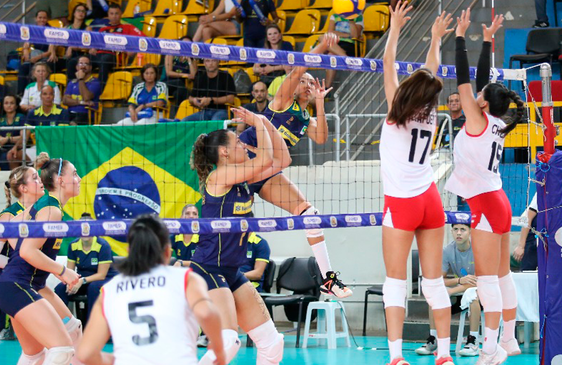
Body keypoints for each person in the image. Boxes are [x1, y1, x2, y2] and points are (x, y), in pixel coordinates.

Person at [238, 33, 353, 298]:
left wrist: (321, 103)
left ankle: (328, 278)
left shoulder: (306, 118)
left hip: (267, 170)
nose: (304, 83)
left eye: (310, 82)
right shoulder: (282, 101)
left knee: (310, 213)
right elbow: (300, 66)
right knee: (232, 225)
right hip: (244, 161)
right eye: (301, 81)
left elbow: (322, 138)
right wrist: (323, 46)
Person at [446, 9, 523, 364]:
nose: (472, 94)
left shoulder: (478, 118)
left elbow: (465, 79)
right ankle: (508, 339)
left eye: (479, 95)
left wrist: (461, 37)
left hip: (487, 203)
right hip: (499, 200)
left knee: (488, 280)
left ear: (484, 102)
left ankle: (490, 349)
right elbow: (480, 80)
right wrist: (488, 39)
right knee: (502, 276)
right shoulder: (495, 121)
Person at [379, 4, 454, 365]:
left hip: (403, 202)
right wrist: (436, 38)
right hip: (430, 199)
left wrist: (394, 29)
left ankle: (396, 357)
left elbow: (388, 62)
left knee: (395, 282)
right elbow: (432, 71)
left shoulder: (397, 109)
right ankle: (444, 355)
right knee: (433, 282)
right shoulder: (431, 113)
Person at [190, 107, 289, 364]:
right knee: (228, 342)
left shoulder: (244, 177)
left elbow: (281, 161)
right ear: (224, 152)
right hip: (208, 266)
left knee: (272, 343)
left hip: (232, 269)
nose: (244, 146)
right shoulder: (219, 176)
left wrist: (265, 122)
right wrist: (257, 122)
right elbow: (265, 160)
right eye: (237, 143)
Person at [77, 214, 227, 365]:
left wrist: (118, 360)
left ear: (129, 251)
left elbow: (85, 354)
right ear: (168, 252)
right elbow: (206, 313)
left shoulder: (109, 290)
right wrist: (219, 350)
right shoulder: (186, 278)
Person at [0, 154, 84, 365]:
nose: (79, 179)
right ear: (60, 180)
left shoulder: (46, 204)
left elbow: (12, 227)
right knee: (61, 349)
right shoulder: (51, 209)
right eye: (75, 174)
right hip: (18, 285)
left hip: (28, 285)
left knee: (63, 337)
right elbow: (27, 252)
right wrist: (63, 272)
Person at [0, 166, 45, 341]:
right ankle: (1, 329)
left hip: (26, 277)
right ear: (23, 188)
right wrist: (19, 264)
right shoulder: (9, 216)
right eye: (35, 178)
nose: (41, 181)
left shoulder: (42, 210)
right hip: (1, 278)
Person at [416, 224, 482, 357]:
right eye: (455, 229)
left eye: (463, 230)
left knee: (472, 295)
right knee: (435, 295)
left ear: (470, 232)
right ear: (451, 231)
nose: (459, 233)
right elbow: (438, 279)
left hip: (483, 294)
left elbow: (479, 282)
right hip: (461, 290)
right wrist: (458, 281)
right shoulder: (447, 251)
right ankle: (434, 340)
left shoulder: (478, 249)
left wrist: (452, 290)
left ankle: (473, 342)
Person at [54, 213, 117, 321]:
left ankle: (92, 326)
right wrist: (71, 281)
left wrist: (81, 281)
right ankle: (62, 324)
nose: (85, 231)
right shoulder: (73, 245)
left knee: (93, 288)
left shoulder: (103, 246)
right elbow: (70, 271)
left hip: (104, 279)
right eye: (83, 228)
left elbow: (101, 275)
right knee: (61, 288)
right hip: (84, 279)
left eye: (89, 228)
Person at [514, 163, 562, 270]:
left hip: (550, 241)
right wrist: (521, 246)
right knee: (529, 276)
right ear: (560, 174)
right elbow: (528, 218)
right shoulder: (546, 190)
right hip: (534, 239)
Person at [80, 4, 143, 86]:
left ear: (121, 14)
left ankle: (99, 90)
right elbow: (95, 43)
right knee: (77, 61)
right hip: (98, 55)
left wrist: (132, 48)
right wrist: (92, 48)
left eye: (116, 13)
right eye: (111, 14)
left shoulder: (128, 27)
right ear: (108, 15)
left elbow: (143, 39)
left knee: (104, 60)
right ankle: (73, 90)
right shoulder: (103, 29)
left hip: (114, 56)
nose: (114, 16)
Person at [10, 85, 69, 165]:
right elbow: (25, 136)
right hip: (38, 148)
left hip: (56, 149)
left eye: (50, 94)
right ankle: (17, 177)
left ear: (54, 96)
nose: (48, 96)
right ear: (40, 96)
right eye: (45, 94)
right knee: (12, 155)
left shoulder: (62, 112)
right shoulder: (33, 113)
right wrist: (16, 147)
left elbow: (62, 136)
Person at [17, 10, 59, 95]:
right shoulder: (32, 31)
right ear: (36, 19)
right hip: (34, 58)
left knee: (34, 71)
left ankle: (33, 94)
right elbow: (26, 45)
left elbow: (50, 52)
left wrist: (37, 58)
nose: (42, 20)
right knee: (23, 68)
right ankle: (20, 94)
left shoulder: (52, 31)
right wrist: (26, 52)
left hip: (45, 58)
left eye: (44, 18)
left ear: (47, 19)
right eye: (40, 17)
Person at [322, 12, 364, 89]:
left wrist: (351, 20)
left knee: (331, 55)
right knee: (323, 38)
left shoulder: (358, 16)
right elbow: (330, 32)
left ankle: (327, 88)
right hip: (336, 43)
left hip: (351, 45)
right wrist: (347, 35)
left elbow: (355, 35)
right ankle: (346, 59)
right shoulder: (334, 16)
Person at [63, 55, 102, 125]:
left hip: (86, 114)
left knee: (73, 124)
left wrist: (81, 79)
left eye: (86, 64)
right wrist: (81, 102)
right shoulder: (72, 82)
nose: (83, 66)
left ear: (90, 67)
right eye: (81, 63)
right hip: (70, 113)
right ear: (77, 67)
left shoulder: (95, 82)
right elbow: (65, 100)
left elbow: (86, 97)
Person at [163, 36, 198, 106]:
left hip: (181, 87)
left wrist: (189, 60)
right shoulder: (171, 54)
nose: (185, 46)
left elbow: (193, 75)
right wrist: (185, 75)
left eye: (188, 45)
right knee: (179, 83)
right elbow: (168, 73)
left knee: (179, 93)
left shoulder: (193, 59)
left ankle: (178, 115)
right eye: (183, 44)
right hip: (167, 84)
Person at [64, 3, 90, 83]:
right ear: (74, 13)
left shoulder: (87, 29)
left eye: (83, 11)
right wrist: (53, 52)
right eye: (78, 11)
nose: (81, 13)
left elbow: (87, 47)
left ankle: (70, 89)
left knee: (72, 63)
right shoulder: (67, 28)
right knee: (50, 62)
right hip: (67, 55)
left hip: (80, 55)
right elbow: (55, 40)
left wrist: (72, 47)